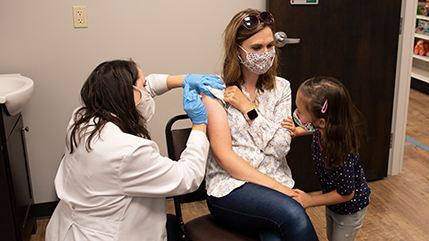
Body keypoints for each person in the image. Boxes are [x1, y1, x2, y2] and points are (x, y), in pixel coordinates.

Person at [45, 59, 223, 241]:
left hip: (69, 226)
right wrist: (200, 123)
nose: (147, 90)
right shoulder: (127, 151)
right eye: (143, 85)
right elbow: (187, 177)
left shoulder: (81, 118)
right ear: (129, 93)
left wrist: (184, 79)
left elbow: (147, 85)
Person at [201, 9, 319, 241]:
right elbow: (226, 159)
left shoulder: (282, 88)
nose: (265, 53)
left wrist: (249, 109)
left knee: (275, 236)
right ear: (237, 50)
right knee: (293, 214)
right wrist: (282, 191)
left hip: (276, 182)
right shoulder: (215, 91)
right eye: (256, 48)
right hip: (231, 187)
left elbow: (280, 147)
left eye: (270, 46)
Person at [281, 76, 371, 241]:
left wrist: (310, 200)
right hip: (333, 203)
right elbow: (314, 129)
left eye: (300, 111)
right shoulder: (327, 128)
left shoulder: (340, 153)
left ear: (321, 121)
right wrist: (299, 131)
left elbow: (347, 194)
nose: (296, 114)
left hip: (349, 209)